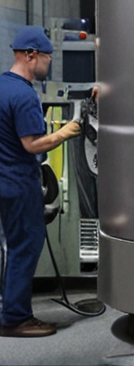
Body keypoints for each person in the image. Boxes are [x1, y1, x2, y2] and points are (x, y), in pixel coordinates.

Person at [0, 26, 81, 337]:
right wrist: (66, 132)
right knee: (25, 246)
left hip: (4, 178)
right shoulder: (24, 95)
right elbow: (32, 145)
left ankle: (10, 309)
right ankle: (15, 318)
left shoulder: (3, 86)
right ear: (31, 55)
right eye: (48, 57)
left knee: (11, 247)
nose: (49, 63)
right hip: (18, 182)